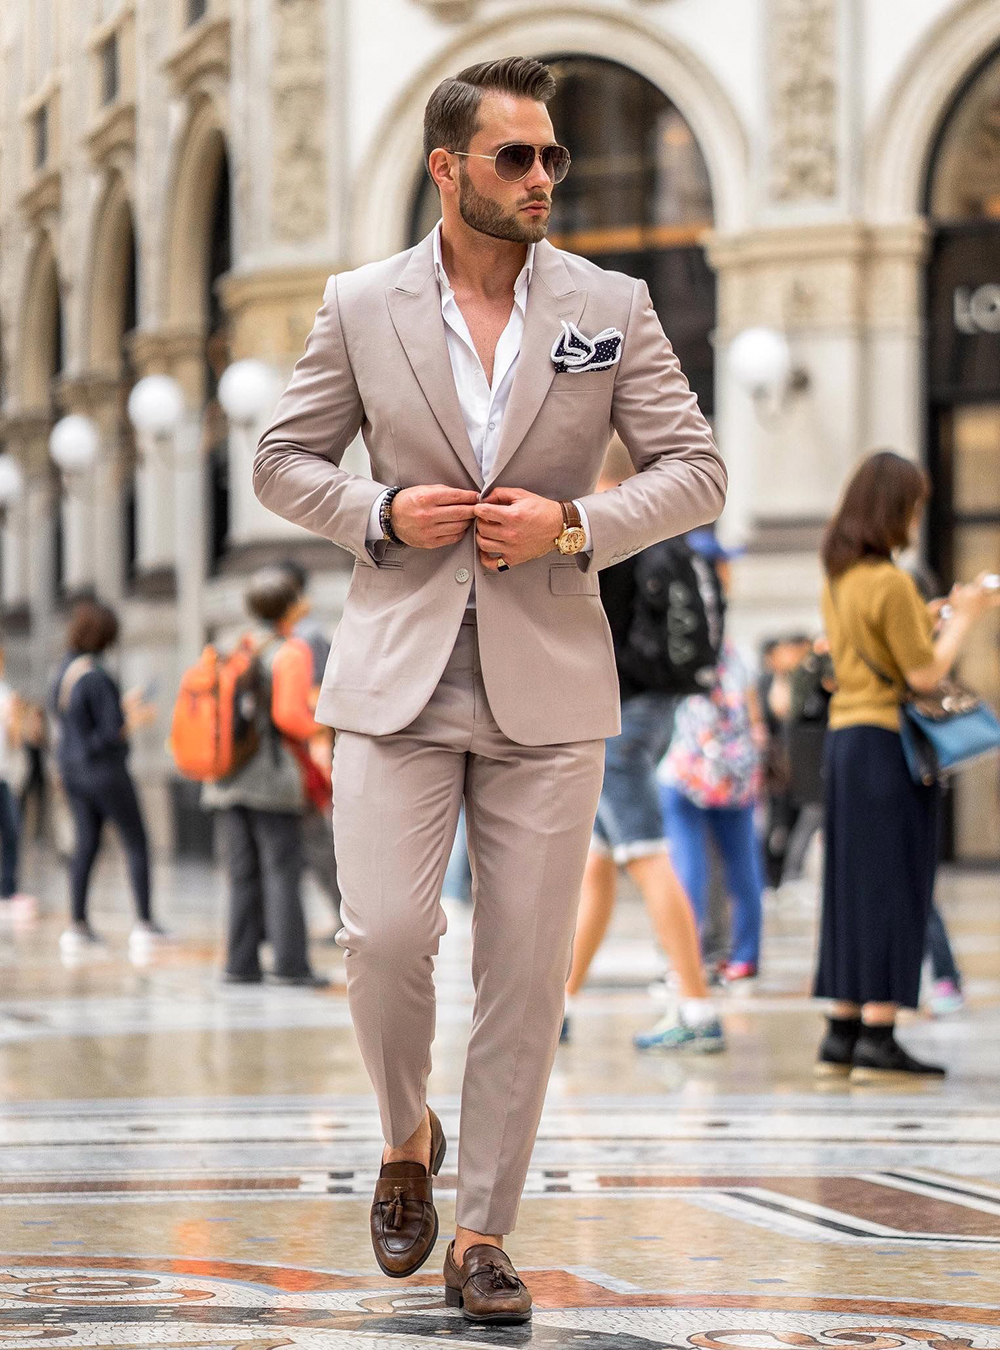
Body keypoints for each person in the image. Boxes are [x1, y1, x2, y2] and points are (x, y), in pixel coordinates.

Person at [253, 56, 726, 1323]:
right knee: (390, 941)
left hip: (551, 681)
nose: (540, 179)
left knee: (525, 971)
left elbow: (694, 472)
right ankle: (407, 1129)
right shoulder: (359, 305)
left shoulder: (610, 304)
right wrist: (379, 512)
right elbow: (281, 460)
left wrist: (577, 521)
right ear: (445, 168)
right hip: (394, 678)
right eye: (514, 158)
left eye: (553, 157)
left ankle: (482, 1233)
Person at [814, 450, 999, 1081]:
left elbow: (875, 648)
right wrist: (967, 618)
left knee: (850, 887)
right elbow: (923, 673)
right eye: (915, 505)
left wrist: (932, 614)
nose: (918, 517)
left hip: (846, 745)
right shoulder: (890, 580)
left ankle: (842, 1030)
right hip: (886, 747)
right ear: (895, 509)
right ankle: (881, 1033)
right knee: (895, 886)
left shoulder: (841, 577)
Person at [563, 440, 725, 1051]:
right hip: (656, 704)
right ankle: (561, 1002)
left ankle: (697, 1007)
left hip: (619, 714)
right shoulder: (660, 528)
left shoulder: (603, 528)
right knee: (600, 863)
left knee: (647, 854)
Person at [202, 568, 330, 988]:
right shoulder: (289, 652)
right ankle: (291, 965)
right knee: (281, 870)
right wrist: (321, 730)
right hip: (271, 780)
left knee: (242, 872)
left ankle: (240, 964)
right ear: (291, 607)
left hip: (226, 776)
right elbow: (288, 715)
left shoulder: (235, 647)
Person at [50, 600, 165, 957]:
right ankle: (145, 923)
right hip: (104, 772)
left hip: (72, 770)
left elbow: (74, 722)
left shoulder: (64, 672)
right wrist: (134, 719)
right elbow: (109, 731)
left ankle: (77, 923)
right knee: (136, 840)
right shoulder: (98, 676)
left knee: (85, 843)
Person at [659, 636, 766, 985]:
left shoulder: (678, 649)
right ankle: (744, 957)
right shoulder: (739, 656)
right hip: (735, 775)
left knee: (689, 867)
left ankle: (687, 962)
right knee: (742, 864)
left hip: (687, 770)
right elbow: (755, 718)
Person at [277, 560, 342, 931]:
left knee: (317, 843)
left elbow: (320, 696)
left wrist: (321, 745)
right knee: (309, 845)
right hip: (295, 756)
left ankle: (344, 917)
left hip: (304, 754)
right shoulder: (292, 638)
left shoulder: (301, 638)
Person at [0, 648, 37, 922]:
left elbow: (14, 738)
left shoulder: (6, 694)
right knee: (11, 830)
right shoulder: (5, 695)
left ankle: (9, 890)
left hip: (3, 775)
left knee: (12, 830)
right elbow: (15, 738)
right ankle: (8, 890)